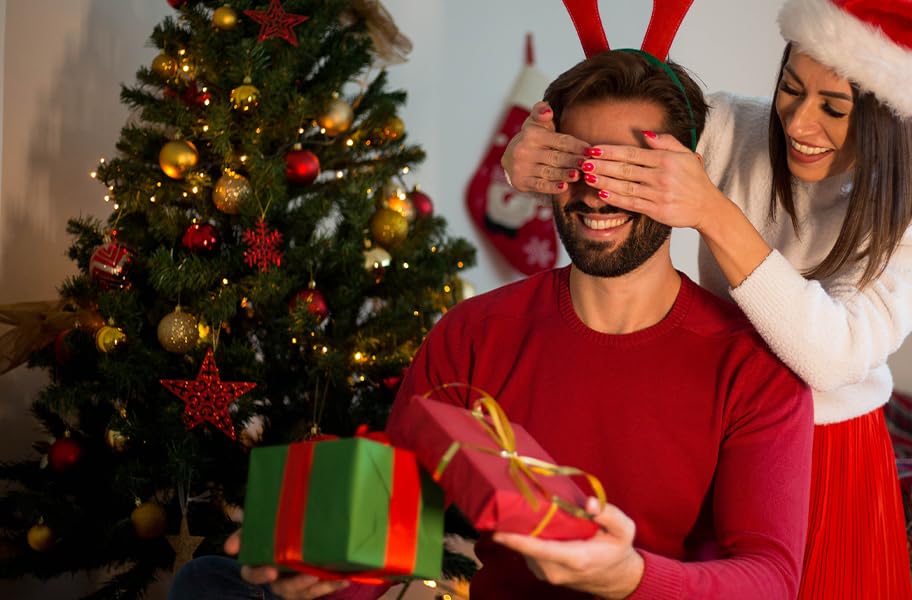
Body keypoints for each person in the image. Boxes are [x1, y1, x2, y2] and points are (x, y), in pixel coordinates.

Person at [171, 50, 813, 600]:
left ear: (682, 184)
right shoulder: (476, 333)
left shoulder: (753, 365)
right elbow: (396, 519)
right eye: (578, 165)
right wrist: (330, 571)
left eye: (629, 172)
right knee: (209, 581)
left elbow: (771, 578)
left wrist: (629, 578)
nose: (595, 193)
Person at [503, 0, 912, 597]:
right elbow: (615, 133)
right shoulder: (731, 131)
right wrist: (525, 160)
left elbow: (836, 356)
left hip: (830, 457)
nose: (797, 124)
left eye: (834, 108)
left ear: (889, 117)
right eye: (790, 90)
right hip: (718, 435)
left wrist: (715, 214)